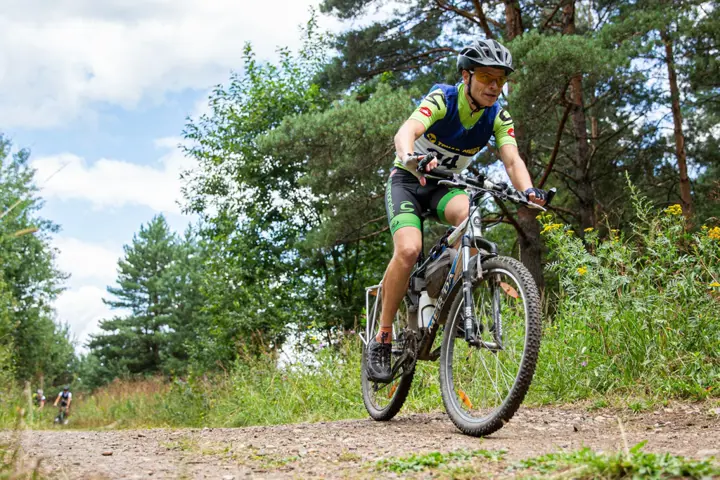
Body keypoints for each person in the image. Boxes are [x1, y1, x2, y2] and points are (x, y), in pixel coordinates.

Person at [366, 39, 548, 383]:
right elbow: (407, 131)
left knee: (470, 222)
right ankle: (383, 337)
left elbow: (512, 159)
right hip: (408, 181)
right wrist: (408, 156)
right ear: (466, 76)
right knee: (408, 250)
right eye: (487, 77)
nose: (494, 86)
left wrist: (528, 191)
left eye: (500, 80)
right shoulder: (443, 99)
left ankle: (451, 301)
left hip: (445, 186)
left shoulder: (497, 115)